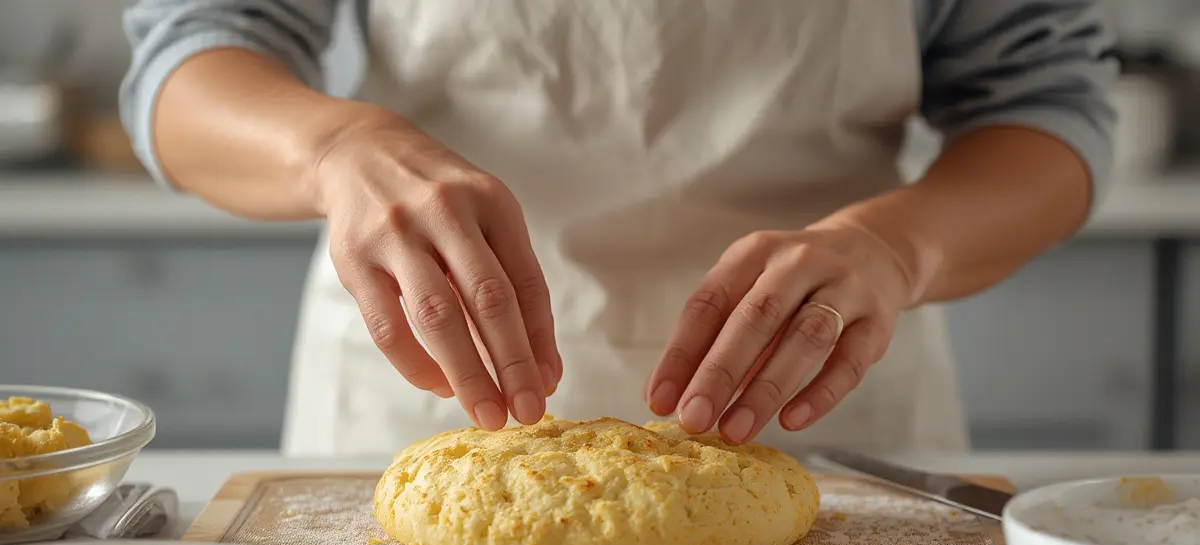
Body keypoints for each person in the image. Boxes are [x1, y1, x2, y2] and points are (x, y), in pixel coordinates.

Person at [120, 0, 1116, 456]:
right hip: (426, 401)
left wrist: (898, 247)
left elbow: (1048, 106)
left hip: (826, 409)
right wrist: (334, 147)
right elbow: (188, 59)